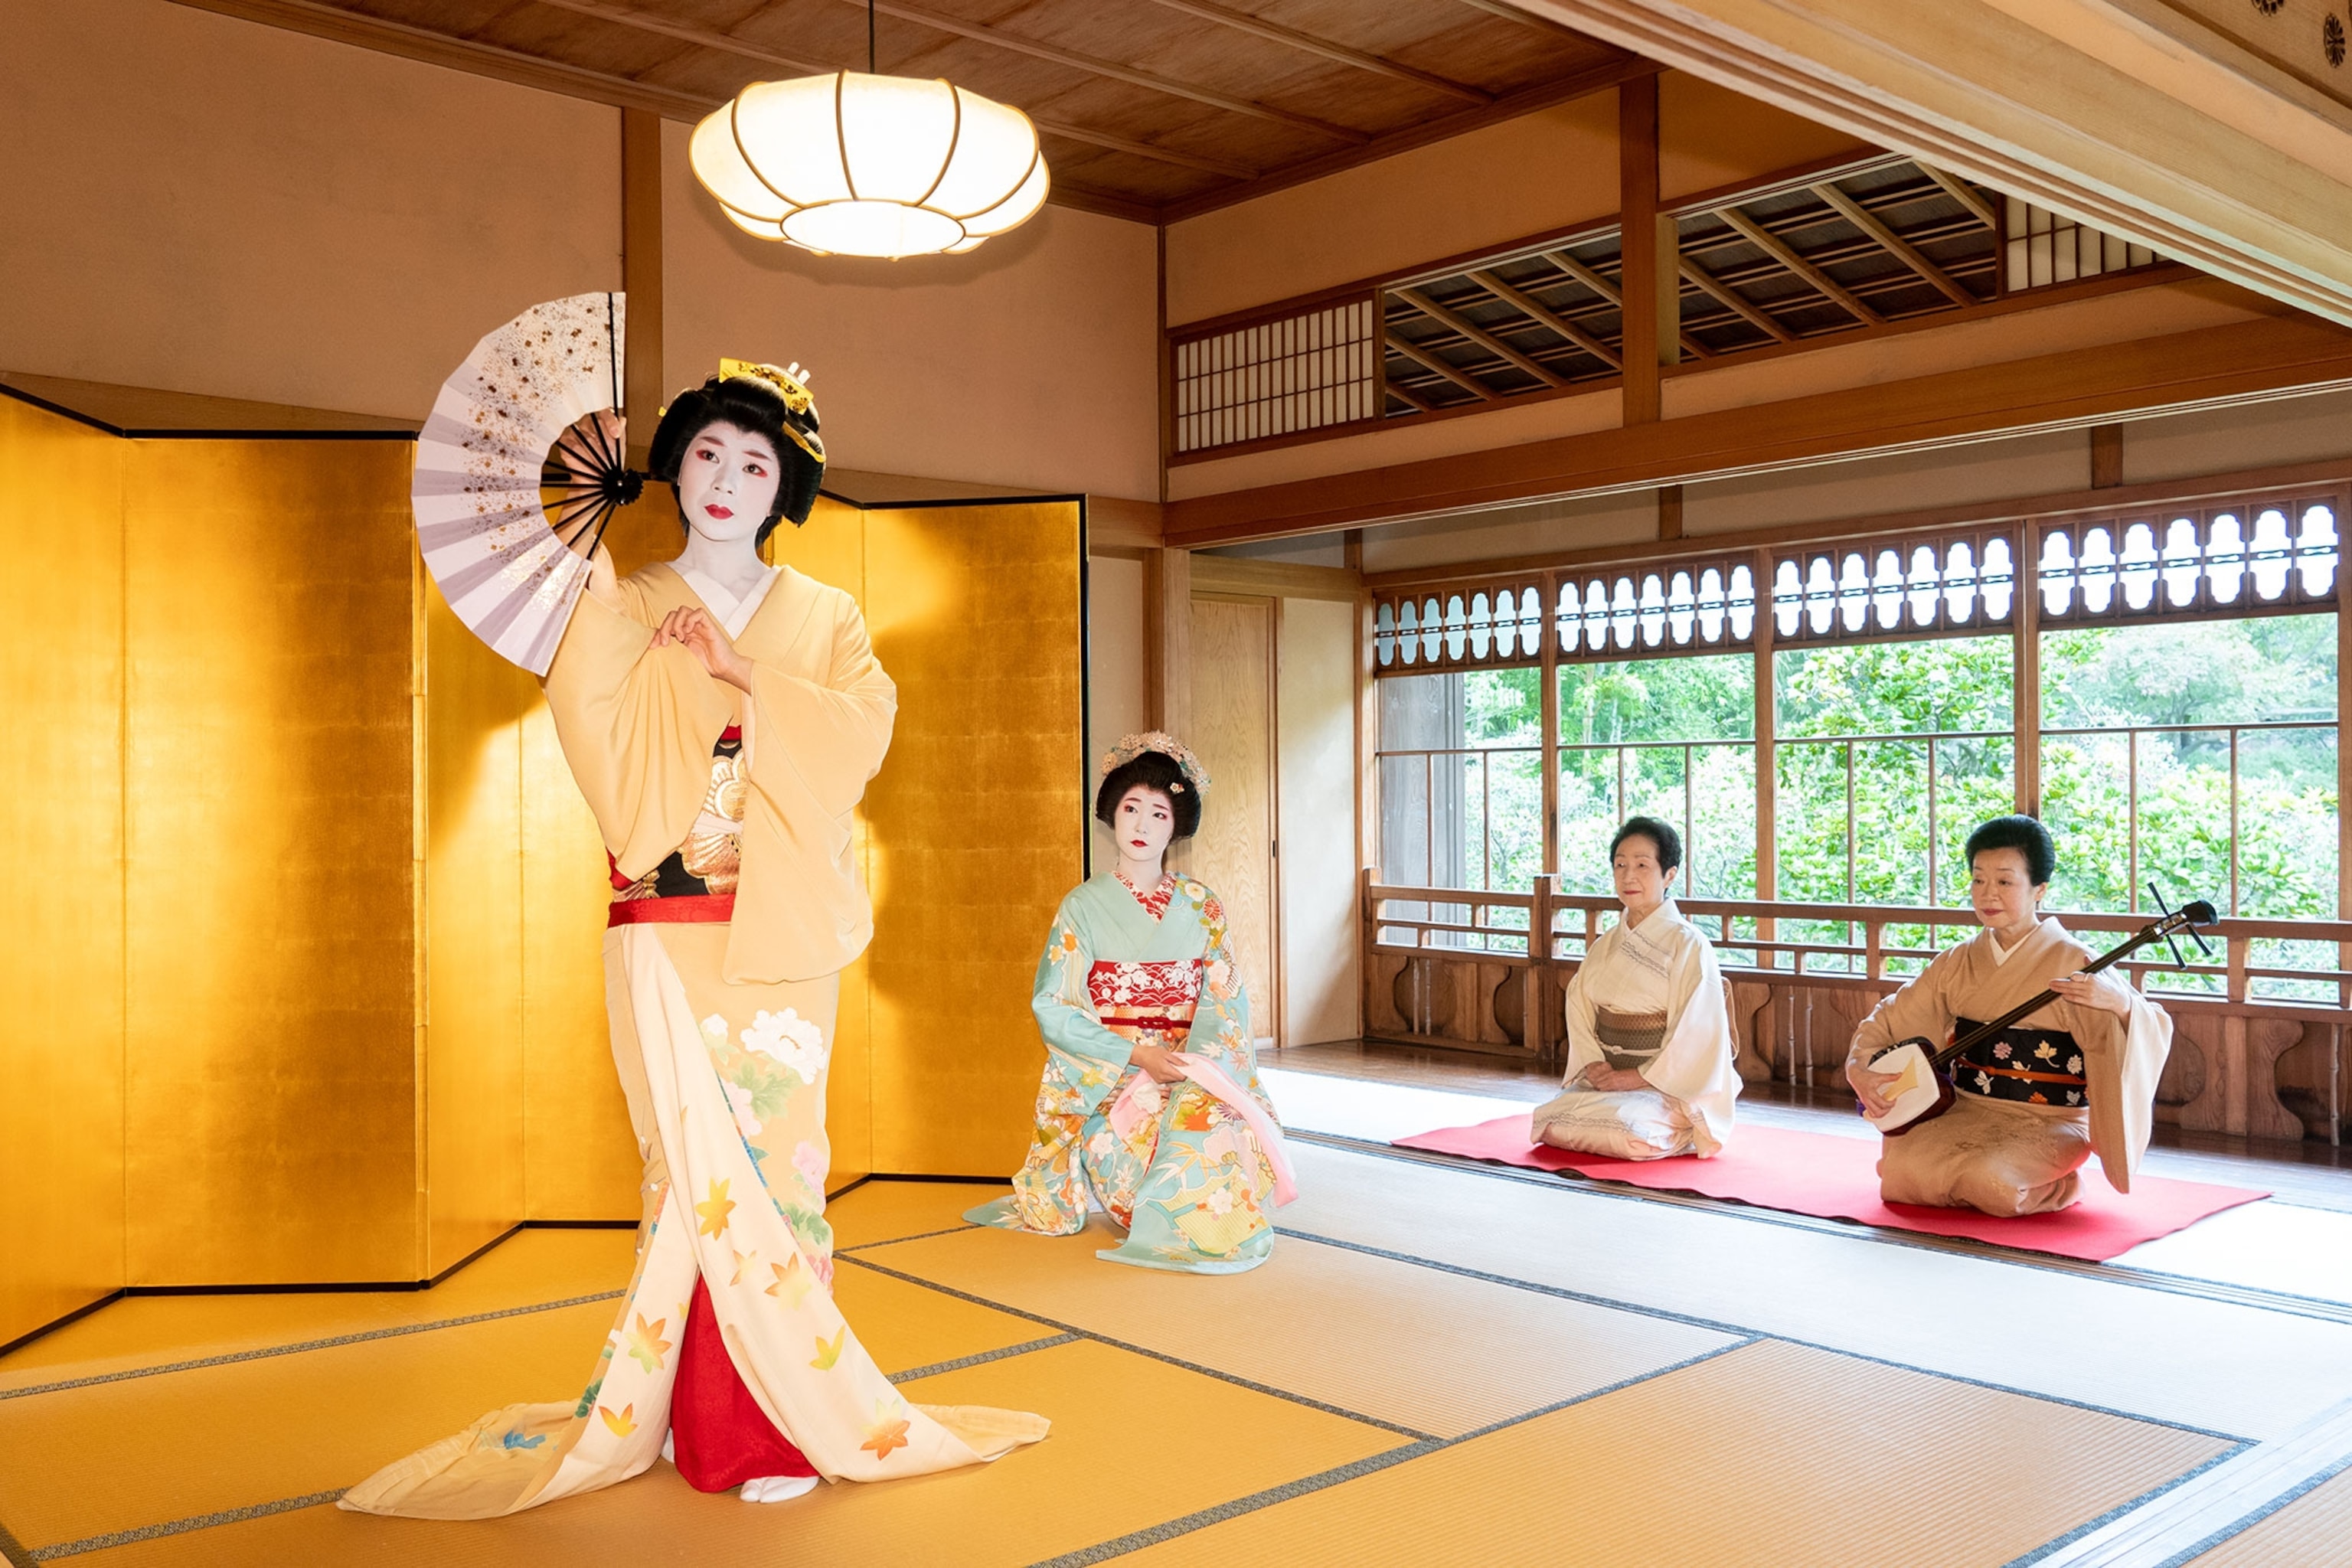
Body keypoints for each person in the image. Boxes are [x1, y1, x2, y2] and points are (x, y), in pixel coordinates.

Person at [342, 361, 1043, 1522]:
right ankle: (675, 1412)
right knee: (687, 1179)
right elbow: (597, 738)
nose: (727, 480)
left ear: (787, 490)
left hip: (778, 936)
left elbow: (864, 733)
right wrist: (595, 593)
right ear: (675, 467)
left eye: (757, 464)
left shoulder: (826, 618)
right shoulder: (618, 597)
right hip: (666, 922)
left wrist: (740, 671)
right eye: (709, 454)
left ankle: (773, 1414)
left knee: (778, 1173)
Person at [966, 733, 1293, 1273]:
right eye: (1131, 809)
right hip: (1113, 1072)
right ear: (1112, 816)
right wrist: (1140, 1057)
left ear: (1176, 826)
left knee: (1217, 1124)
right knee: (1138, 1186)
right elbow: (1054, 1004)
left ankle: (1211, 1218)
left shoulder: (1202, 905)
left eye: (1158, 814)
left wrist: (1195, 1065)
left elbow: (1226, 1001)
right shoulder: (1083, 907)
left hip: (1191, 1064)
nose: (1142, 826)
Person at [1845, 814, 2174, 1217]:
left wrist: (2121, 1006)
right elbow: (1892, 1019)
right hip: (1971, 1107)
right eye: (1978, 879)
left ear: (2039, 889)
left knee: (1991, 1183)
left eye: (2004, 881)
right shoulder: (1957, 961)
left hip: (2049, 1119)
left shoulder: (2077, 962)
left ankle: (2060, 1184)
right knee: (1900, 1175)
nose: (1988, 894)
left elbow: (2150, 1022)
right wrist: (1859, 1068)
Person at [1530, 817, 1740, 1159]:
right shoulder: (1606, 944)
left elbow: (1696, 1032)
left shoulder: (1689, 944)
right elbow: (1579, 1005)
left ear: (1669, 875)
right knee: (1549, 1121)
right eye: (1620, 865)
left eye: (1643, 865)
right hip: (1608, 1076)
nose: (1629, 876)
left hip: (1664, 1082)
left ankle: (1684, 1127)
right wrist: (1595, 1065)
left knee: (1627, 1129)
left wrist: (1638, 1077)